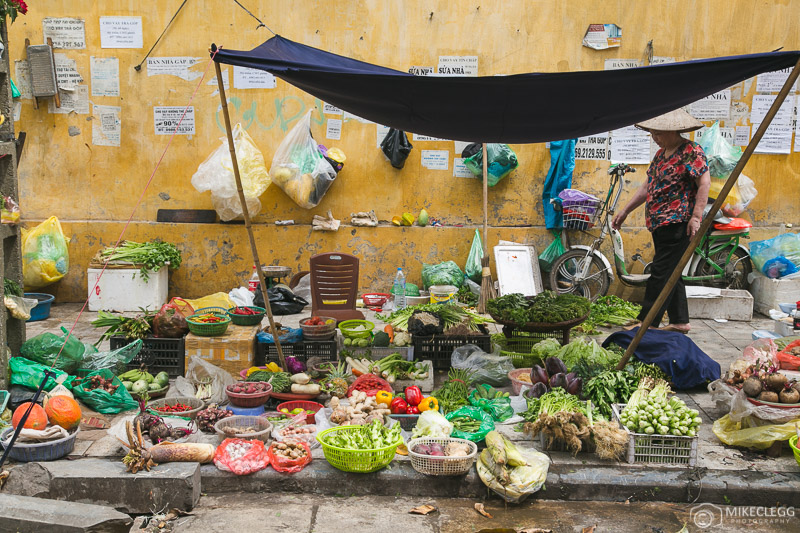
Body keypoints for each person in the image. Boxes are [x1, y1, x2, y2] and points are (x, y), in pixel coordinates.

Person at [612, 109, 711, 334]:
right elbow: (647, 187)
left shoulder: (690, 151)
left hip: (678, 223)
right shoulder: (660, 155)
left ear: (673, 130)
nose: (655, 137)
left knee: (660, 271)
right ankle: (680, 321)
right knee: (672, 272)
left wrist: (696, 217)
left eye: (659, 133)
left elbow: (704, 182)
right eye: (653, 133)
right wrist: (625, 210)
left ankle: (647, 321)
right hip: (659, 224)